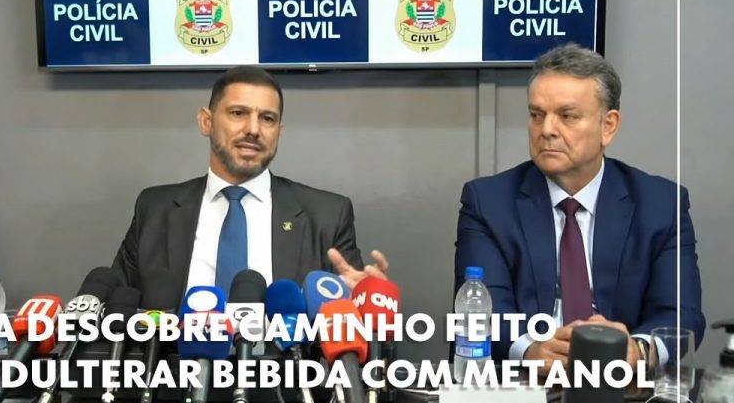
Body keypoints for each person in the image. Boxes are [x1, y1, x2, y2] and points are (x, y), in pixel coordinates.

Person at [454, 43, 705, 373]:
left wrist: (638, 350)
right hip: (526, 385)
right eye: (537, 115)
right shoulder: (488, 202)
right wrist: (530, 349)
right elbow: (482, 310)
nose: (547, 130)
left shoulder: (660, 204)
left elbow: (680, 313)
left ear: (608, 126)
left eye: (567, 116)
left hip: (622, 386)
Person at [112, 66, 388, 294]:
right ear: (206, 122)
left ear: (278, 132)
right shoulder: (155, 210)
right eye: (238, 113)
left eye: (267, 118)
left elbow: (350, 320)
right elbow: (115, 310)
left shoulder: (327, 216)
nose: (253, 129)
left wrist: (367, 301)